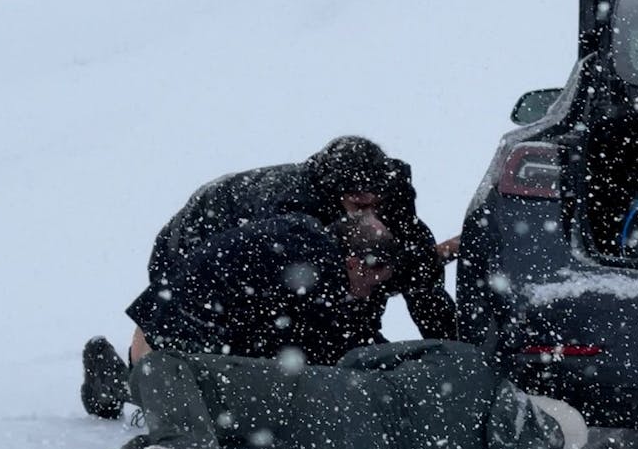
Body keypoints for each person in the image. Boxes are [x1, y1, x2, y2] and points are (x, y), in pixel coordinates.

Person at [53, 216, 586, 449]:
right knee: (196, 445)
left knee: (167, 368)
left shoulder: (470, 369)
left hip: (328, 398)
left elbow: (362, 359)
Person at [79, 136, 458, 419]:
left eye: (377, 203)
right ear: (333, 194)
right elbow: (204, 287)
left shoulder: (387, 199)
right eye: (359, 205)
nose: (372, 211)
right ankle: (120, 383)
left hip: (311, 265)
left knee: (343, 332)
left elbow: (418, 272)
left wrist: (453, 353)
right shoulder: (286, 216)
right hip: (196, 248)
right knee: (211, 360)